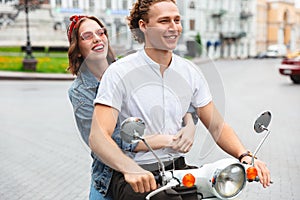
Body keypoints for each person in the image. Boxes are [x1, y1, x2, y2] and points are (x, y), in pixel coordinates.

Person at [89, 1, 271, 199]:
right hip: (135, 174)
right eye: (164, 21)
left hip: (178, 170)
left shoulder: (190, 72)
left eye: (177, 20)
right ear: (143, 26)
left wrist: (245, 155)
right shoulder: (119, 72)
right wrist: (129, 169)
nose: (173, 27)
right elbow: (98, 137)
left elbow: (217, 126)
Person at [67, 14, 198, 200]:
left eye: (100, 33)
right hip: (114, 173)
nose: (97, 38)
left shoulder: (129, 68)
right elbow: (105, 140)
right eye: (87, 36)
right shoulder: (80, 92)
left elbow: (174, 99)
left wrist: (189, 126)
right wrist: (164, 140)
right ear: (78, 49)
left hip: (160, 164)